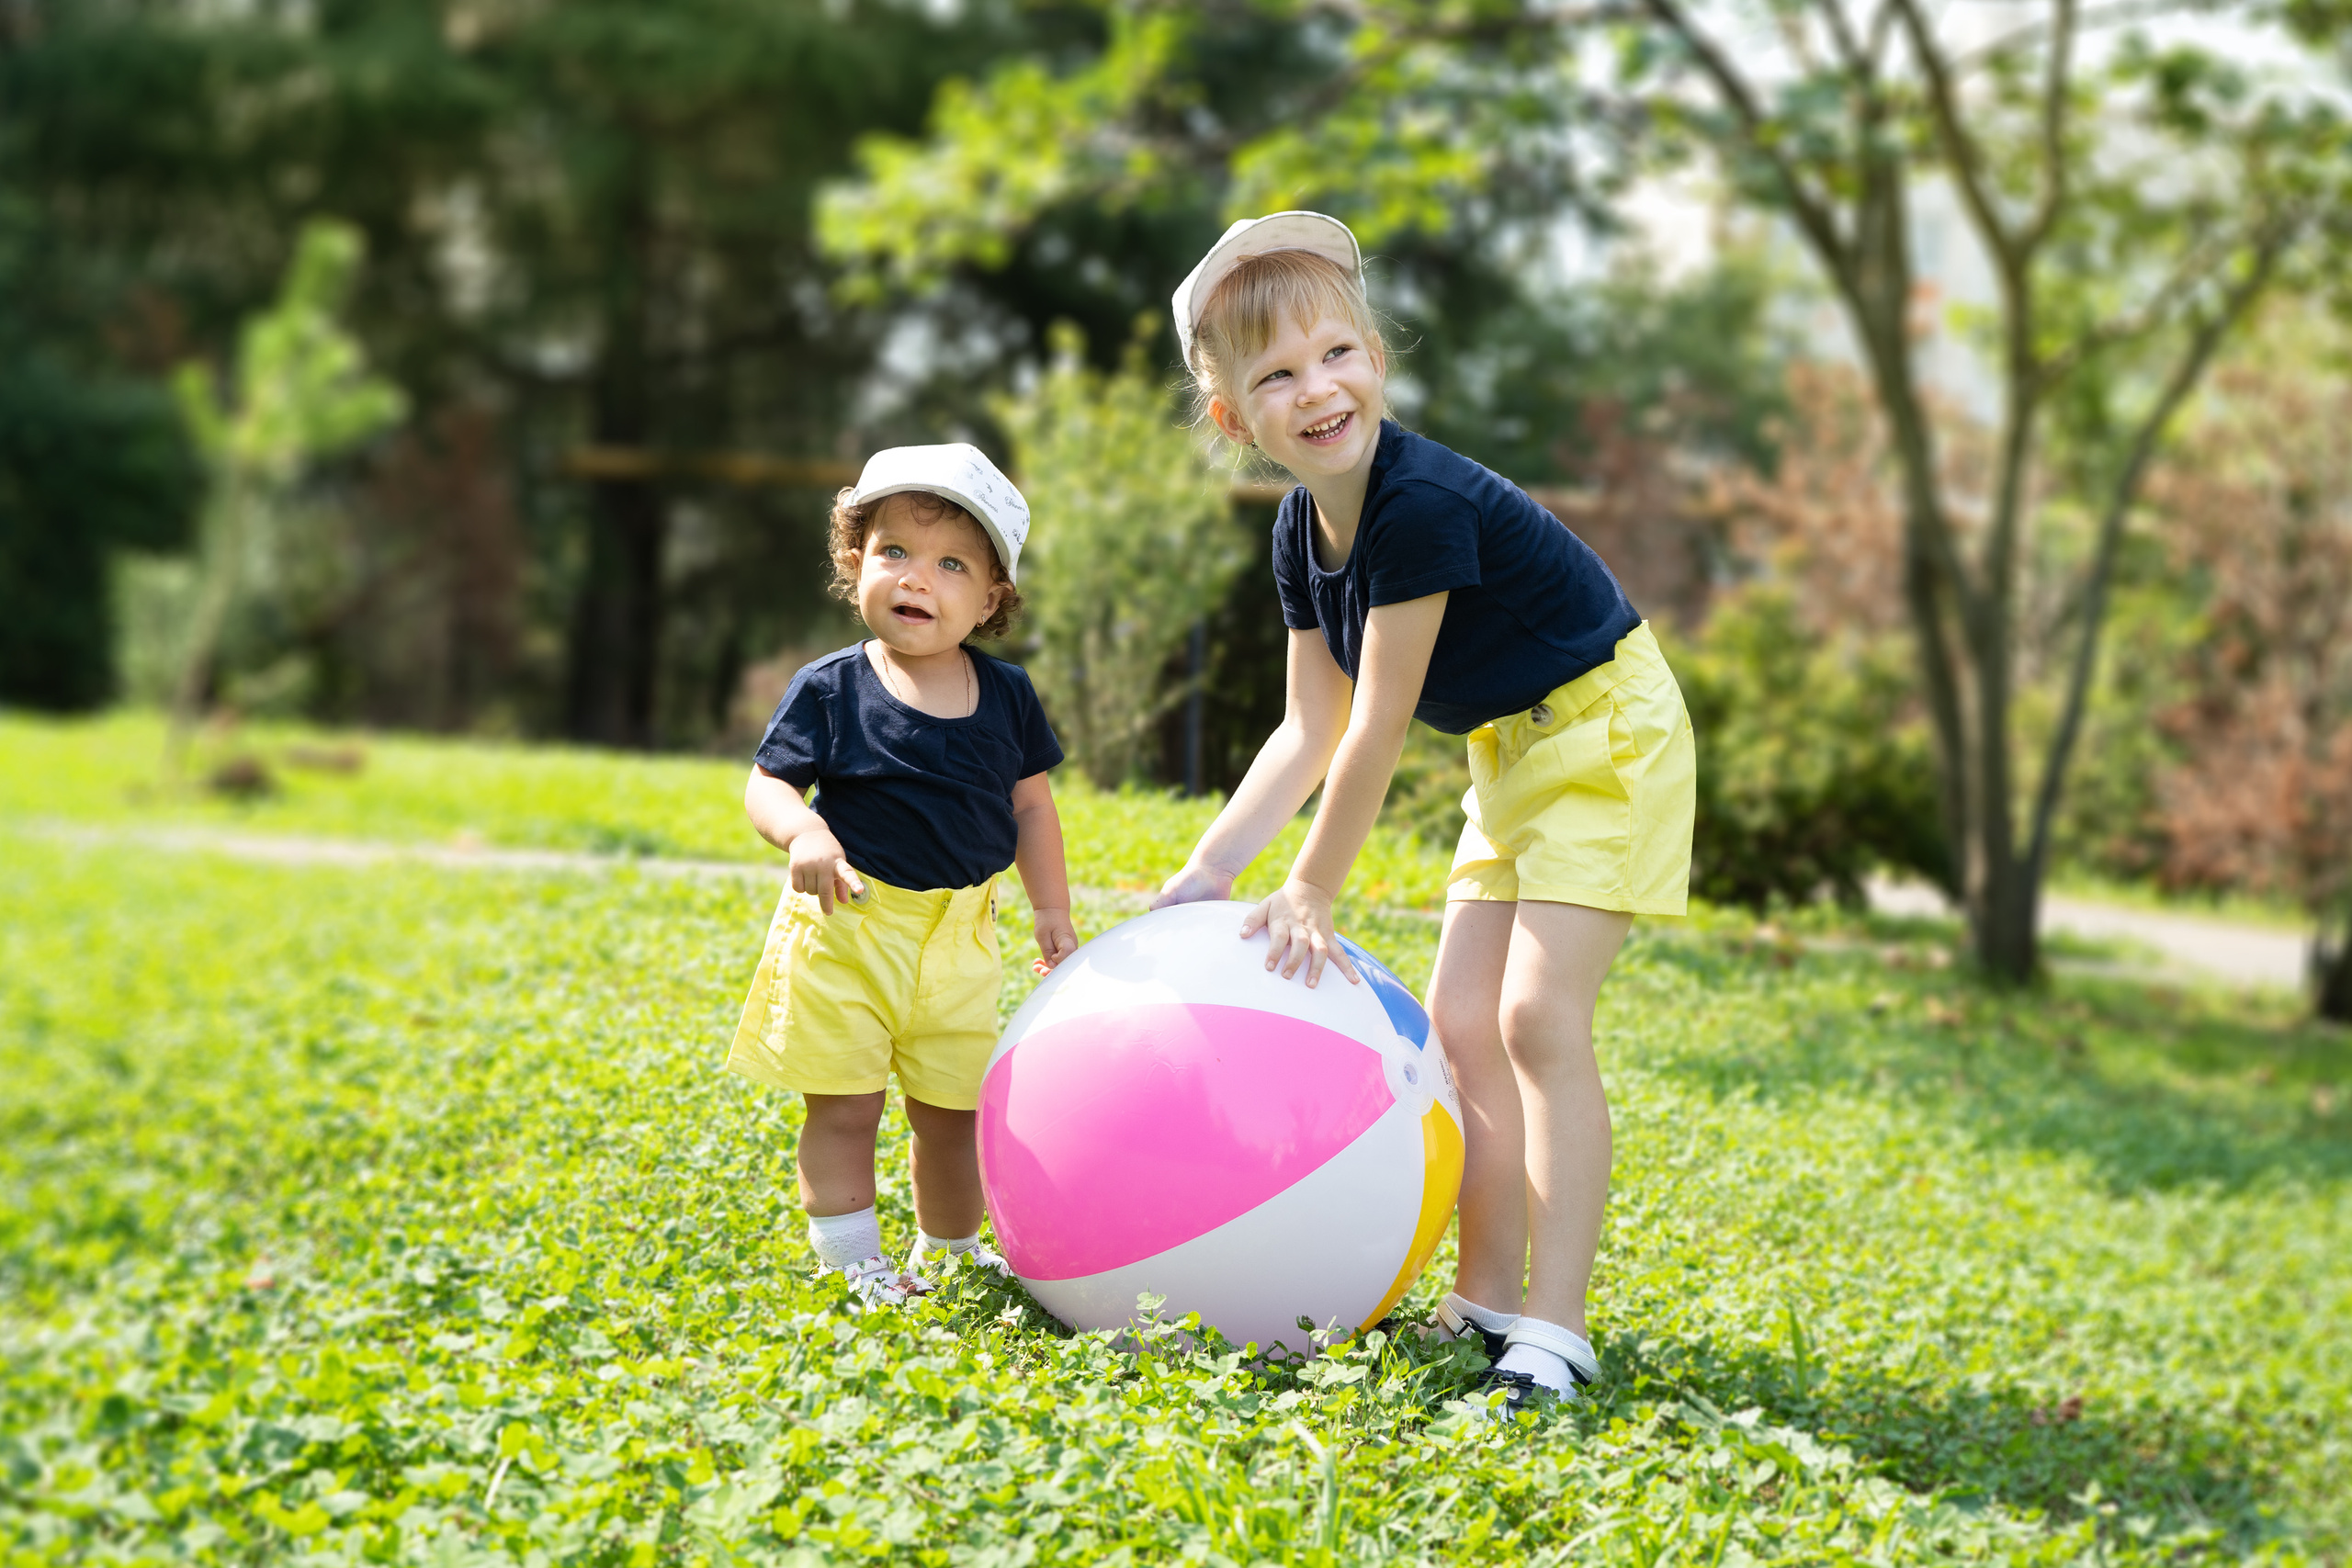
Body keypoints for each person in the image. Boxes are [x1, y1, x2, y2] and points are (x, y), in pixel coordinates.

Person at [1150, 213, 1697, 1414]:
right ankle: (1487, 1292)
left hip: (1609, 729)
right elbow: (1306, 726)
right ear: (1236, 417)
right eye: (1278, 376)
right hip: (1514, 746)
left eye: (1337, 352)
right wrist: (1206, 870)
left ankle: (1555, 1330)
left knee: (1537, 1016)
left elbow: (1378, 726)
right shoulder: (1303, 528)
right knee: (1459, 1021)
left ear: (1377, 355)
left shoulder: (1420, 505)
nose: (1319, 388)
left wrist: (1312, 888)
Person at [728, 445, 1079, 1308]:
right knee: (846, 1107)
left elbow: (1032, 808)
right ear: (856, 564)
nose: (918, 578)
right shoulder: (833, 687)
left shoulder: (1007, 696)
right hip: (850, 931)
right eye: (894, 552)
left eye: (952, 563)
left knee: (952, 1114)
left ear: (991, 598)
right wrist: (803, 829)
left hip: (961, 940)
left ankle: (950, 1250)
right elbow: (766, 781)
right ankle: (851, 1261)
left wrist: (1051, 908)